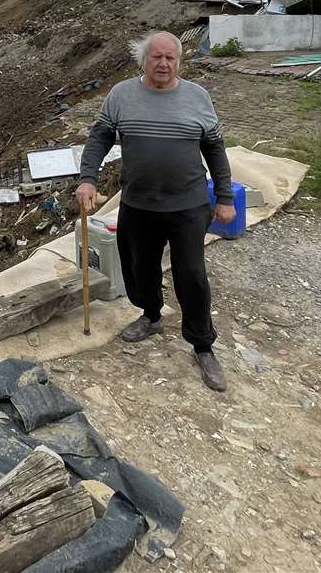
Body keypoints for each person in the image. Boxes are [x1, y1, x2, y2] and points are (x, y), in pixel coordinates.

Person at [75, 30, 235, 392]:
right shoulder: (121, 96)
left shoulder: (197, 98)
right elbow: (100, 137)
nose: (163, 64)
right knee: (138, 267)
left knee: (191, 274)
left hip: (188, 204)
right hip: (138, 202)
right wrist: (88, 179)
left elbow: (215, 149)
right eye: (156, 57)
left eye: (170, 58)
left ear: (179, 61)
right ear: (143, 60)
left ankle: (202, 344)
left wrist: (224, 197)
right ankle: (150, 315)